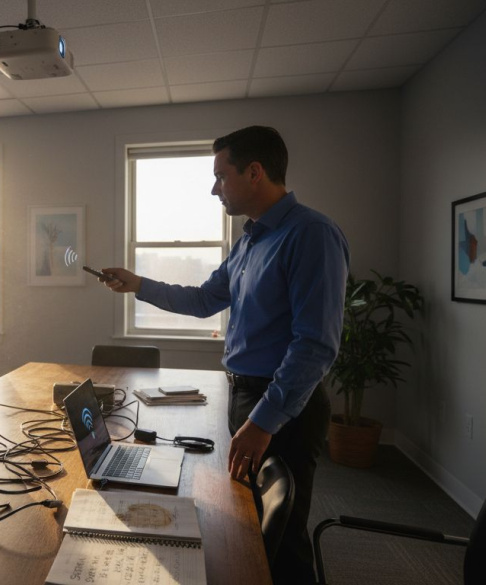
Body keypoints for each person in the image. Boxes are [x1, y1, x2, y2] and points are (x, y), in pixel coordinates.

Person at [99, 126, 348, 584]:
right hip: (247, 397)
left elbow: (315, 345)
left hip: (282, 407)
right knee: (248, 523)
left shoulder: (311, 234)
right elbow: (202, 300)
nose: (214, 188)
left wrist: (264, 421)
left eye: (220, 175)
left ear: (254, 173)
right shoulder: (251, 240)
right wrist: (138, 284)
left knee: (284, 539)